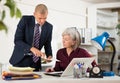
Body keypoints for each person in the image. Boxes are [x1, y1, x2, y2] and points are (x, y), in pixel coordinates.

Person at [9, 4, 53, 71]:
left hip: (35, 63)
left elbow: (47, 44)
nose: (42, 21)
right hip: (20, 60)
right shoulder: (25, 20)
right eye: (40, 18)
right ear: (34, 14)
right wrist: (32, 48)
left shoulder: (49, 27)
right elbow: (17, 41)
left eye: (45, 18)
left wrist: (49, 55)